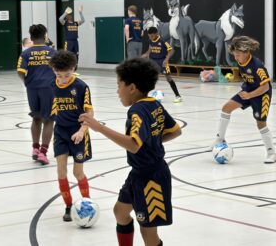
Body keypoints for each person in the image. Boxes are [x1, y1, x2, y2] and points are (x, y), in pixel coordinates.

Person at [80, 58, 182, 246]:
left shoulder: (136, 111)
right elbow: (175, 130)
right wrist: (151, 142)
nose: (117, 91)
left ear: (132, 88)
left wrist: (99, 127)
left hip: (152, 178)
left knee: (148, 231)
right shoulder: (153, 103)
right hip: (139, 173)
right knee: (120, 212)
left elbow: (134, 144)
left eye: (119, 85)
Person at [212, 36, 276, 163]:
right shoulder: (241, 62)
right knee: (226, 108)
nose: (235, 58)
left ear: (247, 52)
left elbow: (265, 87)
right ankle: (219, 140)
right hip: (248, 91)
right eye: (234, 55)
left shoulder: (257, 66)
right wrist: (246, 92)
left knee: (261, 124)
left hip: (262, 95)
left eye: (238, 55)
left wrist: (250, 95)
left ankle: (271, 153)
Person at [49, 50, 93, 222]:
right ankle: (68, 206)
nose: (63, 79)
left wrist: (82, 131)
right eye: (59, 75)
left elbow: (89, 110)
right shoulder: (53, 85)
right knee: (61, 171)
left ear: (73, 68)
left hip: (78, 132)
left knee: (78, 172)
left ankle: (86, 203)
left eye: (67, 75)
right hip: (60, 132)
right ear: (54, 71)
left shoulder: (81, 86)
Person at [17, 24, 55, 165]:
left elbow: (20, 71)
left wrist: (27, 83)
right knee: (49, 120)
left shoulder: (26, 53)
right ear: (45, 36)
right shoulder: (52, 52)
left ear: (31, 37)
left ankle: (35, 149)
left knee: (36, 118)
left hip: (32, 88)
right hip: (48, 89)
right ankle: (43, 153)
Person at [142, 27, 182, 103]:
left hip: (162, 62)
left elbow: (171, 50)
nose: (151, 37)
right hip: (153, 62)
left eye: (152, 36)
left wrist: (166, 60)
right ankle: (145, 96)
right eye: (149, 36)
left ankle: (178, 96)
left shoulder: (163, 41)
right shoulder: (150, 40)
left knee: (169, 78)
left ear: (156, 34)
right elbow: (150, 49)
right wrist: (146, 54)